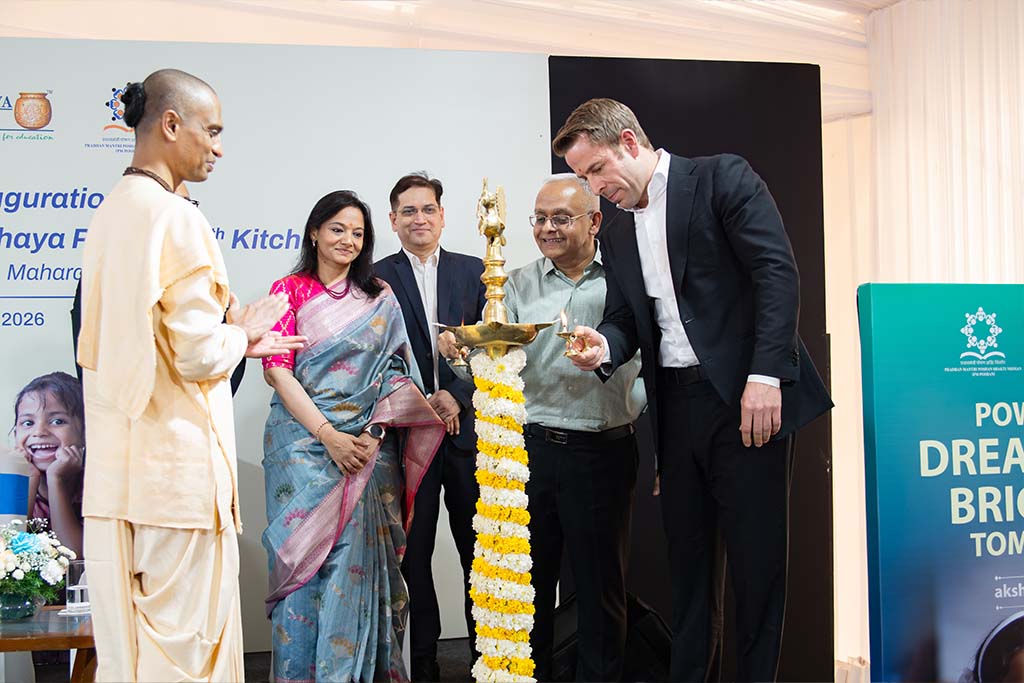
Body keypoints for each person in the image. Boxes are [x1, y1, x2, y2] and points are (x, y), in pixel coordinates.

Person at [555, 98, 833, 682]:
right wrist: (602, 346)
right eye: (583, 178)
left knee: (757, 575)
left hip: (747, 400)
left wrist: (766, 376)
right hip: (676, 411)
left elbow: (776, 272)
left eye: (596, 170)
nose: (594, 188)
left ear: (629, 142)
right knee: (689, 577)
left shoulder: (720, 178)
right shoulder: (619, 230)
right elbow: (628, 318)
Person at [77, 68, 304, 682]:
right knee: (184, 656)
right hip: (175, 477)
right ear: (172, 125)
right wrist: (244, 332)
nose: (219, 148)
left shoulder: (112, 210)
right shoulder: (176, 216)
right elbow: (197, 354)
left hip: (118, 476)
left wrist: (234, 336)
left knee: (131, 654)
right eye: (213, 130)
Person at [444, 173, 645, 681]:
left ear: (594, 221)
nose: (547, 228)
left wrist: (627, 392)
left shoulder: (624, 282)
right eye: (539, 218)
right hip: (531, 453)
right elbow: (493, 369)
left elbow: (649, 353)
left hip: (602, 452)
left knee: (601, 592)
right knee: (526, 589)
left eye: (560, 218)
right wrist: (459, 356)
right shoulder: (514, 285)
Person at [262, 189, 446, 683]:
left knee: (358, 564)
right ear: (315, 233)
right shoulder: (288, 291)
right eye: (338, 229)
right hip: (302, 450)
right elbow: (277, 370)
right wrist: (328, 436)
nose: (348, 240)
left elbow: (396, 373)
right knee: (302, 565)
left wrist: (370, 433)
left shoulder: (378, 296)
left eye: (358, 233)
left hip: (368, 453)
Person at [374, 173, 486, 681]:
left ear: (442, 216)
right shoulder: (374, 279)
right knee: (413, 557)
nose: (419, 218)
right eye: (408, 211)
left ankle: (487, 658)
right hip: (407, 440)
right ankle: (422, 664)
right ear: (393, 219)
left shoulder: (476, 272)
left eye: (427, 209)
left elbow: (494, 349)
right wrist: (420, 403)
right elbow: (374, 358)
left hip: (466, 437)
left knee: (477, 551)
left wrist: (456, 394)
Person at [70, 183, 246, 395]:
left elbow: (213, 354)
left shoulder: (201, 271)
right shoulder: (107, 271)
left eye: (189, 204)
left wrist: (236, 334)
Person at [12, 371, 85, 558]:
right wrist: (28, 479)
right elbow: (4, 554)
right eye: (28, 422)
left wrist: (56, 480)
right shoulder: (9, 483)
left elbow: (73, 558)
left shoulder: (95, 488)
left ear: (86, 433)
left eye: (57, 421)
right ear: (15, 434)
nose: (39, 432)